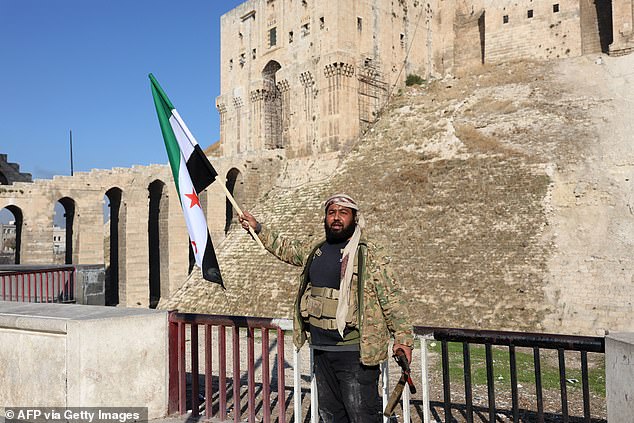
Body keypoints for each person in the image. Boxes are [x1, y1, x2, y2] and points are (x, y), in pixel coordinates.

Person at [239, 193, 413, 423]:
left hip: (355, 353)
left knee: (362, 416)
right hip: (321, 349)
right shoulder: (316, 248)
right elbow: (287, 249)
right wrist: (258, 228)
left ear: (354, 217)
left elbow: (392, 297)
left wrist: (403, 338)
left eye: (343, 212)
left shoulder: (369, 253)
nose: (336, 218)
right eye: (332, 213)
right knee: (331, 416)